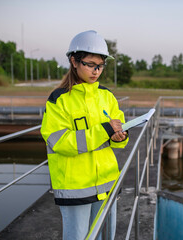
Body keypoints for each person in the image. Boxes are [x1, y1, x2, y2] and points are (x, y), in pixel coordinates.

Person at [40, 30, 128, 240]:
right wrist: (104, 130)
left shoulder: (106, 96)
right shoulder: (59, 100)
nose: (96, 71)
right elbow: (60, 141)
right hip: (76, 188)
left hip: (106, 183)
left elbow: (118, 134)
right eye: (90, 64)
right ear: (74, 61)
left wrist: (120, 137)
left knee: (106, 236)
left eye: (100, 66)